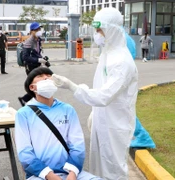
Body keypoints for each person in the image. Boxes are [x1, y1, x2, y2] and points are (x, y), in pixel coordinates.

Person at [52, 8, 138, 180]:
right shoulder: (109, 53)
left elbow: (104, 96)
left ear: (112, 30)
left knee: (113, 170)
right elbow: (102, 89)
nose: (97, 35)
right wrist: (95, 112)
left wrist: (72, 86)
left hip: (115, 124)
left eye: (100, 30)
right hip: (104, 119)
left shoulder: (121, 61)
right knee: (99, 168)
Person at [15, 67, 102, 180]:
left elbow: (77, 145)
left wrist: (72, 174)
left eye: (48, 75)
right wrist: (50, 176)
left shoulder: (67, 109)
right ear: (32, 87)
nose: (46, 77)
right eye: (40, 76)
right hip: (40, 175)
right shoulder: (23, 114)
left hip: (71, 173)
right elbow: (25, 153)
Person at [17, 22, 50, 106]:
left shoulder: (38, 40)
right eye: (36, 30)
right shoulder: (29, 41)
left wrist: (43, 60)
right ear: (32, 31)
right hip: (30, 66)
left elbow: (37, 53)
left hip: (36, 65)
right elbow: (25, 57)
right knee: (37, 85)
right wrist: (38, 60)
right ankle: (26, 99)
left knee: (39, 84)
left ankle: (28, 100)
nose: (39, 31)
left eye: (39, 29)